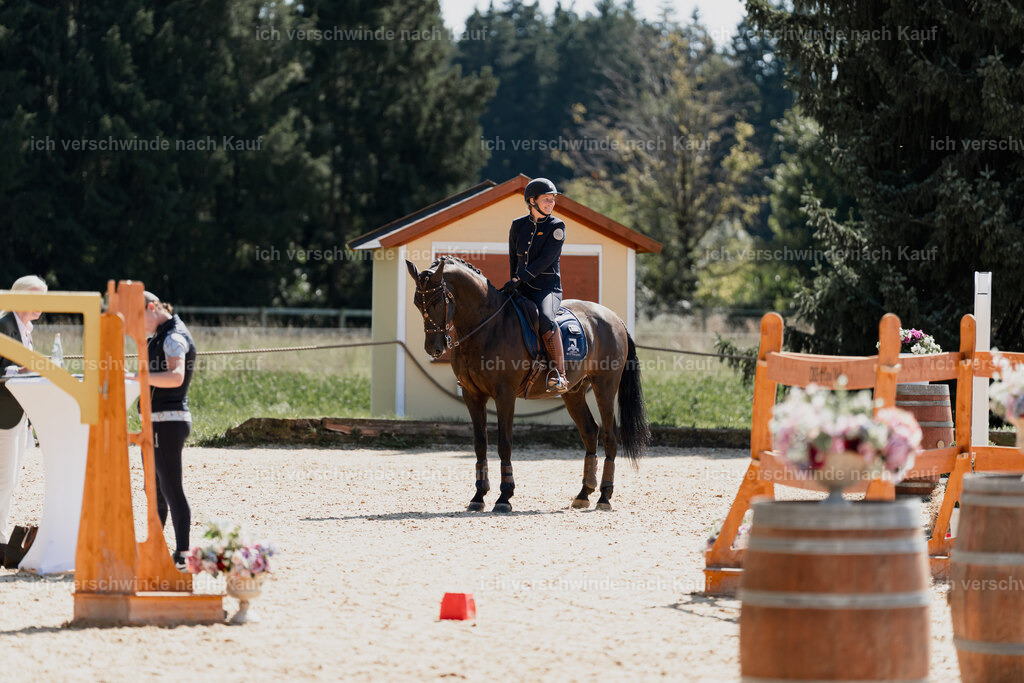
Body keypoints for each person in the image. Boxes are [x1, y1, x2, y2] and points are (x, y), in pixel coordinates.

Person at [143, 291, 197, 569]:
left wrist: (138, 377)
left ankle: (183, 554)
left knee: (170, 488)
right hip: (159, 420)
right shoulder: (161, 335)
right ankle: (156, 547)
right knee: (154, 489)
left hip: (168, 420)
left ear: (152, 308)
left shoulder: (173, 336)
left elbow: (175, 377)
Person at [501, 177, 569, 393]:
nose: (551, 203)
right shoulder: (517, 225)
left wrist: (519, 279)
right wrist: (513, 281)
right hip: (521, 288)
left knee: (547, 319)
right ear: (532, 201)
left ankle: (560, 374)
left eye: (553, 200)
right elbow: (513, 259)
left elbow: (546, 260)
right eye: (546, 199)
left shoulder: (557, 226)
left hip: (547, 289)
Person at [0, 275, 47, 551]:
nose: (42, 303)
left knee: (11, 479)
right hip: (3, 413)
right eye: (38, 296)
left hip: (18, 415)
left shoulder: (25, 328)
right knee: (4, 479)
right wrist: (20, 370)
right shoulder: (4, 326)